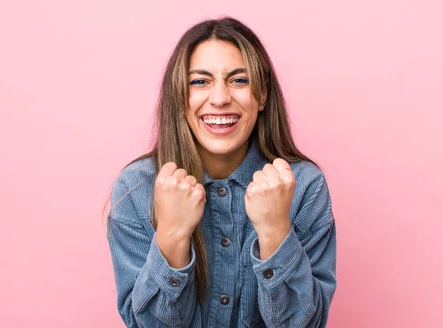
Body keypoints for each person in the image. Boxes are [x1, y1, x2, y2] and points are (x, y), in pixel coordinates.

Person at [107, 17, 336, 327]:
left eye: (239, 80)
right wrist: (172, 233)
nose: (219, 98)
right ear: (180, 95)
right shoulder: (137, 188)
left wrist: (275, 231)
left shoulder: (305, 186)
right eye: (200, 81)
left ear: (263, 94)